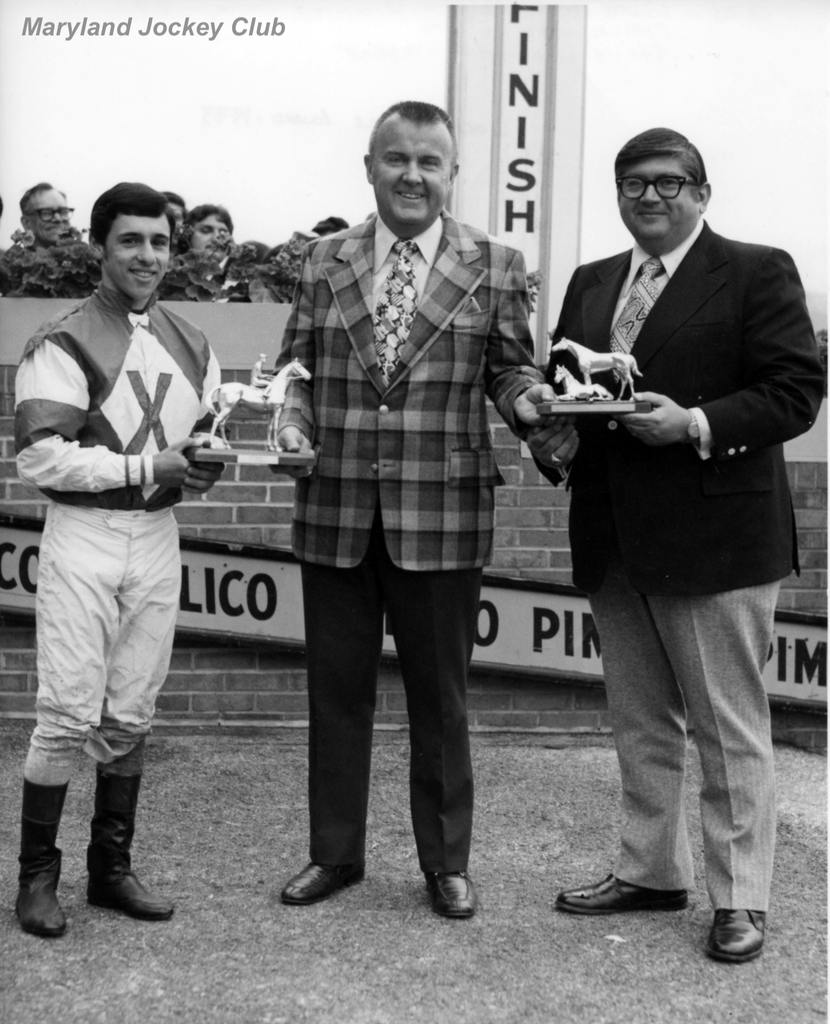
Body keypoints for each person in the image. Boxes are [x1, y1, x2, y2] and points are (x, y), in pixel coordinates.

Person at [528, 127, 824, 963]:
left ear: (701, 192)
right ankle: (651, 871)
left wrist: (694, 423)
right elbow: (573, 391)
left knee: (728, 727)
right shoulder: (591, 283)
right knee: (640, 721)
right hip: (615, 537)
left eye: (667, 183)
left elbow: (796, 392)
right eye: (632, 184)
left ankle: (741, 899)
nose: (648, 197)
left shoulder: (757, 270)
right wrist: (555, 437)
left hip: (716, 539)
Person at [275, 100, 561, 919]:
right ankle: (334, 855)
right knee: (336, 694)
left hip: (443, 516)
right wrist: (292, 423)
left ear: (452, 173)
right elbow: (296, 370)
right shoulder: (323, 260)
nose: (411, 175)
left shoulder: (496, 264)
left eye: (428, 161)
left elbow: (509, 371)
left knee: (442, 699)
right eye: (395, 159)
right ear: (369, 167)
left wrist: (530, 401)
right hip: (335, 510)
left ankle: (445, 863)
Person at [13, 181, 224, 938]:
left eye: (161, 241)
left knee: (131, 710)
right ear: (100, 246)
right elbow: (42, 459)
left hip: (156, 537)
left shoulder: (192, 340)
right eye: (131, 240)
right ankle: (36, 878)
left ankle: (111, 872)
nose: (147, 255)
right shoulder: (63, 338)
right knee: (68, 711)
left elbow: (203, 438)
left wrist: (202, 465)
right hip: (85, 534)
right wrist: (149, 469)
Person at [18, 182, 77, 248]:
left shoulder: (85, 256)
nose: (58, 219)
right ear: (26, 223)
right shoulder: (14, 258)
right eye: (47, 213)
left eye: (63, 212)